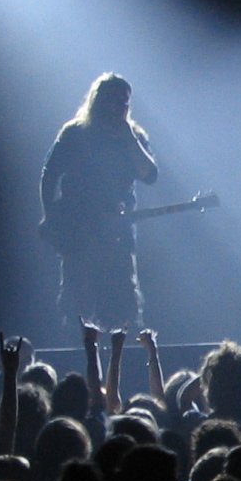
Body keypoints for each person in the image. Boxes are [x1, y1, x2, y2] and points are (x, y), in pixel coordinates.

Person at [39, 73, 159, 331]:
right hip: (79, 232)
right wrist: (51, 218)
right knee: (78, 300)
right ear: (99, 101)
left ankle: (119, 351)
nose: (121, 107)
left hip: (117, 233)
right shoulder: (75, 133)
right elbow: (49, 175)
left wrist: (130, 139)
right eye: (115, 101)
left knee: (121, 301)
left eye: (125, 102)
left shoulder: (133, 137)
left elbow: (150, 175)